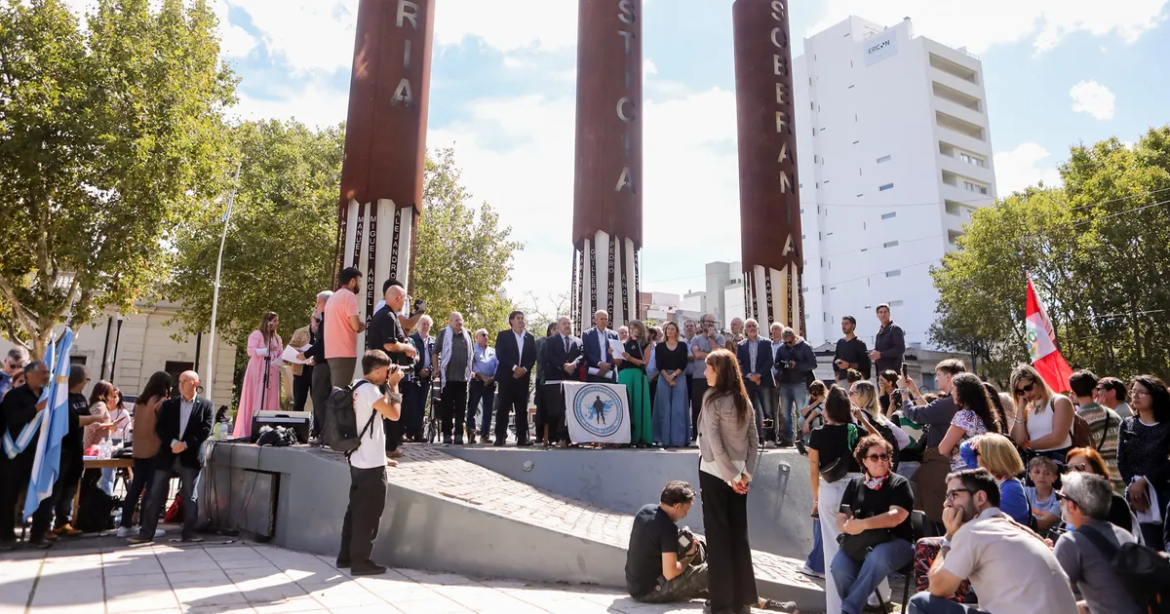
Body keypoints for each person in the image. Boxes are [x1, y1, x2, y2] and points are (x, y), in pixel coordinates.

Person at [911, 468, 1078, 614]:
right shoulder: (1019, 529)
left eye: (954, 495)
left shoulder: (974, 530)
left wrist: (949, 536)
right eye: (947, 496)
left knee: (920, 603)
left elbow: (937, 588)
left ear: (980, 498)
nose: (946, 503)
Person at [697, 348, 759, 614]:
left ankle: (721, 602)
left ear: (719, 371)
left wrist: (731, 477)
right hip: (740, 474)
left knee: (718, 536)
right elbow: (755, 441)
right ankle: (743, 599)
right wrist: (746, 474)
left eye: (708, 368)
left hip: (714, 472)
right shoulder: (743, 397)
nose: (704, 372)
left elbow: (714, 442)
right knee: (739, 535)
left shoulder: (712, 398)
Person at [336, 350, 405, 576]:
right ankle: (361, 562)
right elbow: (394, 414)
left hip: (357, 459)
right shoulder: (369, 390)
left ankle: (346, 557)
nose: (387, 375)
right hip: (370, 465)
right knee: (369, 514)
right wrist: (394, 386)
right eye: (385, 372)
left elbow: (378, 416)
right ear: (376, 371)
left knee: (355, 510)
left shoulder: (356, 387)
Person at [832, 434, 915, 614]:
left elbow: (896, 517)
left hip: (898, 543)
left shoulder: (899, 483)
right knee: (838, 567)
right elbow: (840, 517)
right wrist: (846, 527)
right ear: (864, 461)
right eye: (874, 457)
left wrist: (864, 524)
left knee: (878, 557)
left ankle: (849, 609)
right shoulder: (855, 484)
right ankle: (857, 609)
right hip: (862, 543)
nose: (880, 461)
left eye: (884, 456)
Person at [130, 370, 212, 544]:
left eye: (185, 381)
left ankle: (189, 533)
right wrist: (173, 442)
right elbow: (161, 428)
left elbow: (205, 429)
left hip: (190, 457)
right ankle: (145, 533)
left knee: (190, 495)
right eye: (179, 381)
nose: (180, 384)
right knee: (154, 494)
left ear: (195, 384)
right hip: (167, 455)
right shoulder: (169, 405)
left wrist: (186, 444)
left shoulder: (206, 406)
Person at [1053, 472, 1144, 614]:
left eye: (1061, 496)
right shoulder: (1124, 534)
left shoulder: (1070, 542)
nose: (1059, 501)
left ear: (1072, 506)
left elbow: (1055, 601)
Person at [808, 386, 862, 614]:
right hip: (858, 491)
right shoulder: (857, 431)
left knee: (832, 553)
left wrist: (816, 498)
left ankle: (836, 610)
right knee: (859, 551)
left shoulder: (818, 434)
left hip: (830, 491)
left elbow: (813, 470)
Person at [900, 359, 966, 523]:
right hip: (951, 461)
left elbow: (914, 414)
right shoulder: (958, 402)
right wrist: (913, 390)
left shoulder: (950, 403)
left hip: (940, 461)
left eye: (938, 375)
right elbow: (930, 412)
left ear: (949, 377)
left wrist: (903, 391)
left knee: (926, 500)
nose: (936, 379)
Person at [626, 480, 709, 603]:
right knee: (711, 571)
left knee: (688, 540)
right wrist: (689, 558)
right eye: (686, 510)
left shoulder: (646, 510)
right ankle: (731, 595)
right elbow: (670, 573)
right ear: (677, 506)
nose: (686, 514)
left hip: (634, 585)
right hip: (651, 590)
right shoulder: (668, 528)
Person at [0, 361, 51, 548]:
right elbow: (14, 419)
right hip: (15, 455)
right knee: (8, 498)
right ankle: (5, 537)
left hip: (39, 455)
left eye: (47, 372)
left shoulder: (48, 396)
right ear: (29, 375)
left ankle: (38, 535)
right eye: (43, 373)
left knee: (42, 497)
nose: (46, 376)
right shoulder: (14, 396)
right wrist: (38, 408)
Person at [1116, 375, 1170, 549]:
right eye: (1133, 391)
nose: (1135, 395)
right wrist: (1132, 486)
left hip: (1164, 493)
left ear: (1155, 395)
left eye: (1141, 392)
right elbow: (1121, 460)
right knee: (1146, 547)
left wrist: (1145, 481)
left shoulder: (1166, 426)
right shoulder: (1127, 424)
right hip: (1136, 496)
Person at [116, 371, 172, 538]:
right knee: (151, 491)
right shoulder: (160, 402)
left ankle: (125, 524)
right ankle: (145, 526)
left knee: (135, 488)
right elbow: (164, 426)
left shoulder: (140, 402)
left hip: (138, 449)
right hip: (154, 449)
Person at [367, 282, 416, 459]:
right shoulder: (388, 316)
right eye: (404, 300)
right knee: (390, 407)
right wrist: (407, 349)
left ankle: (385, 446)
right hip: (384, 372)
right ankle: (388, 448)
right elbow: (389, 344)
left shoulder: (383, 315)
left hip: (378, 370)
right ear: (398, 299)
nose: (404, 304)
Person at [1009, 364, 1075, 463]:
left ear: (1038, 381)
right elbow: (1018, 440)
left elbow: (1057, 438)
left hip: (1059, 461)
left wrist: (1027, 445)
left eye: (1029, 388)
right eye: (1020, 392)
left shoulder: (1059, 401)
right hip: (1035, 464)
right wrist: (1020, 409)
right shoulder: (1027, 408)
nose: (1026, 394)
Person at [1069, 370, 1123, 492]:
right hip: (1120, 481)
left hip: (1095, 484)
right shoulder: (1113, 414)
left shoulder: (1075, 420)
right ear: (1094, 391)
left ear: (1074, 392)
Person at [1065, 446, 1137, 534]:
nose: (1073, 472)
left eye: (1080, 467)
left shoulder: (1114, 502)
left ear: (1096, 471)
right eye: (1069, 468)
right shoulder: (1069, 501)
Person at [234, 312, 284, 439]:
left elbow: (280, 353)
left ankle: (268, 430)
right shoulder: (257, 334)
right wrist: (265, 351)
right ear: (268, 322)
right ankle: (252, 429)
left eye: (277, 321)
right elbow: (250, 350)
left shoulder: (277, 338)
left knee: (271, 398)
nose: (277, 323)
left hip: (273, 371)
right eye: (275, 321)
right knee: (257, 395)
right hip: (258, 370)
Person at [494, 310, 537, 447]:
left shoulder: (529, 338)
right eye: (518, 318)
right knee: (503, 408)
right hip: (507, 378)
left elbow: (532, 357)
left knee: (521, 409)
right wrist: (514, 368)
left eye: (522, 318)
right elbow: (500, 355)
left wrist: (523, 369)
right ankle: (500, 436)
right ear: (511, 321)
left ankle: (522, 438)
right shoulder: (503, 336)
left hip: (522, 379)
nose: (521, 320)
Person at [940, 374, 1000, 471]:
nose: (951, 392)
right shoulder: (983, 415)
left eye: (953, 388)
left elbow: (943, 449)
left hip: (966, 470)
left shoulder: (965, 415)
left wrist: (953, 450)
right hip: (984, 468)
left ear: (962, 391)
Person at [970, 434, 1029, 525]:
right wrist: (978, 439)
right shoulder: (996, 481)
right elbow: (964, 450)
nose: (975, 458)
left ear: (990, 459)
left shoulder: (1011, 489)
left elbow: (988, 522)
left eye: (976, 453)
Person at [433, 312, 473, 445]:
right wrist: (436, 368)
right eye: (456, 320)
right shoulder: (443, 333)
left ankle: (459, 435)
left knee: (461, 408)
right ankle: (447, 434)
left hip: (462, 378)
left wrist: (471, 370)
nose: (458, 323)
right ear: (450, 321)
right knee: (447, 408)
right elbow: (435, 352)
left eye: (460, 320)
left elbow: (471, 354)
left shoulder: (467, 334)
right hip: (447, 377)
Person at [540, 316, 582, 446]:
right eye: (564, 323)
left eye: (569, 323)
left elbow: (582, 355)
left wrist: (574, 365)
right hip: (555, 379)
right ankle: (554, 437)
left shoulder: (578, 341)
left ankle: (569, 437)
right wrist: (564, 366)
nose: (567, 326)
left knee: (571, 408)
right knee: (555, 409)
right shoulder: (550, 341)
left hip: (572, 379)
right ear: (558, 327)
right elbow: (549, 357)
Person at [774, 326, 817, 448]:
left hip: (800, 383)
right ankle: (788, 438)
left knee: (801, 412)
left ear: (794, 337)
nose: (788, 344)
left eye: (790, 341)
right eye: (785, 342)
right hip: (785, 383)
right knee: (786, 413)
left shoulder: (805, 346)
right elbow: (776, 364)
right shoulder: (782, 348)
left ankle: (803, 438)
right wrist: (783, 364)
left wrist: (796, 365)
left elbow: (813, 364)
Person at [325, 267, 366, 388]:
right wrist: (361, 325)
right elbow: (355, 325)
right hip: (345, 352)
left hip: (331, 351)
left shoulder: (332, 298)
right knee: (341, 392)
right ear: (352, 281)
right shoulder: (349, 296)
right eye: (359, 281)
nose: (360, 285)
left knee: (336, 389)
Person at [736, 319, 775, 446]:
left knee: (767, 411)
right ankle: (753, 439)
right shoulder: (741, 345)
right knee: (748, 411)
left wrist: (758, 375)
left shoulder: (767, 343)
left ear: (757, 328)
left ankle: (770, 438)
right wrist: (749, 375)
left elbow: (769, 361)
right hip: (747, 382)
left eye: (753, 326)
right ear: (745, 330)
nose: (751, 328)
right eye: (749, 326)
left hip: (764, 380)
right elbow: (739, 364)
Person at [689, 314, 725, 444]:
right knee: (697, 407)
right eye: (707, 321)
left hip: (716, 378)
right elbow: (697, 354)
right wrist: (712, 354)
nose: (710, 324)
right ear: (702, 323)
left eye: (712, 322)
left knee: (715, 407)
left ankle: (715, 437)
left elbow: (720, 354)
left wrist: (711, 338)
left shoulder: (720, 337)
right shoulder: (696, 339)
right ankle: (696, 436)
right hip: (699, 377)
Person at [653, 322, 690, 448]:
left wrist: (673, 376)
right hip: (663, 377)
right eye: (668, 329)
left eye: (672, 329)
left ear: (676, 331)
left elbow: (683, 363)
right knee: (664, 408)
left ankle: (678, 440)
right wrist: (667, 378)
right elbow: (659, 365)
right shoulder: (660, 347)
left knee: (678, 408)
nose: (669, 331)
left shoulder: (682, 345)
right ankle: (663, 439)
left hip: (678, 376)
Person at [304, 290, 332, 440]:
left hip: (325, 366)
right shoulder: (326, 320)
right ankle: (325, 432)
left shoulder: (328, 319)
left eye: (319, 302)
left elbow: (322, 343)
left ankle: (326, 434)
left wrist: (305, 354)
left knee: (320, 398)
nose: (316, 305)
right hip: (323, 361)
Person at [619, 320, 653, 447]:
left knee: (639, 405)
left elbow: (645, 362)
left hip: (638, 375)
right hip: (624, 375)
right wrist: (614, 355)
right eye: (630, 328)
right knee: (625, 404)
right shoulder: (624, 344)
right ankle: (624, 437)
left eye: (635, 327)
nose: (632, 330)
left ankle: (640, 437)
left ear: (640, 329)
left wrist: (630, 358)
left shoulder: (644, 345)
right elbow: (619, 364)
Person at [403, 315, 434, 443]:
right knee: (411, 405)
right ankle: (407, 432)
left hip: (426, 378)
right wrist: (418, 370)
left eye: (428, 324)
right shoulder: (412, 340)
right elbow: (409, 357)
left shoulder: (433, 341)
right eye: (423, 324)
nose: (426, 326)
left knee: (421, 406)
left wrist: (430, 370)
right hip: (413, 377)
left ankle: (418, 433)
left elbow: (437, 358)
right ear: (417, 326)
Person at [468, 328, 499, 444]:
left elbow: (497, 365)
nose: (486, 337)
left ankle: (485, 435)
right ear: (476, 337)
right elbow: (472, 365)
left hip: (490, 383)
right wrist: (482, 376)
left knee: (488, 410)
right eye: (483, 335)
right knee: (472, 408)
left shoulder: (493, 351)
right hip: (477, 381)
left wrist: (492, 378)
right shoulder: (472, 350)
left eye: (487, 335)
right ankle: (471, 433)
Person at [1024, 455, 1064, 533]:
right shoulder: (1024, 492)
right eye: (1037, 472)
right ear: (1030, 476)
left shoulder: (1059, 498)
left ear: (1054, 478)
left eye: (1047, 473)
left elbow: (1043, 524)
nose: (1041, 476)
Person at [582, 310, 620, 383]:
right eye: (601, 319)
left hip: (610, 372)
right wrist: (599, 364)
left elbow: (617, 353)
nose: (604, 321)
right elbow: (587, 352)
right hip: (594, 372)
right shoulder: (587, 334)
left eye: (606, 319)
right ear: (595, 320)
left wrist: (608, 365)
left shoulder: (614, 335)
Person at [869, 304, 905, 376]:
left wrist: (881, 355)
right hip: (881, 372)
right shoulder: (879, 333)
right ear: (877, 315)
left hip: (893, 373)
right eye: (880, 312)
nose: (883, 314)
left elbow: (900, 349)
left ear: (889, 313)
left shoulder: (895, 329)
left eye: (885, 312)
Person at [288, 316, 314, 414]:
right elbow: (291, 347)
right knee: (298, 402)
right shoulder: (300, 332)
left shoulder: (323, 333)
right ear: (311, 318)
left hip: (316, 371)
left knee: (318, 402)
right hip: (300, 372)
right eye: (315, 319)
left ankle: (317, 427)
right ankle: (296, 427)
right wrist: (303, 352)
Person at [833, 316, 871, 382]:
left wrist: (849, 365)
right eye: (842, 324)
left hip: (855, 380)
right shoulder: (840, 342)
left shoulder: (860, 344)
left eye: (846, 324)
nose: (843, 326)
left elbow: (865, 364)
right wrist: (837, 375)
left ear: (853, 325)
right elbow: (835, 360)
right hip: (842, 379)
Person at [799, 381, 827, 447]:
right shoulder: (809, 398)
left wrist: (807, 422)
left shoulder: (825, 400)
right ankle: (806, 441)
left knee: (816, 421)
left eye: (814, 394)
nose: (812, 395)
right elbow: (803, 413)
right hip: (809, 420)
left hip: (820, 421)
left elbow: (816, 412)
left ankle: (817, 441)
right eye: (811, 393)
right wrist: (815, 403)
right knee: (800, 420)